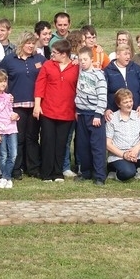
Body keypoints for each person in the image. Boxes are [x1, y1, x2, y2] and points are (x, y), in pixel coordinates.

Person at [1, 31, 46, 180]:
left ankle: (33, 168)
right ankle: (16, 168)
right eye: (28, 43)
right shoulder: (9, 60)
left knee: (32, 137)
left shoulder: (40, 59)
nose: (31, 46)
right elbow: (1, 80)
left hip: (35, 105)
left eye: (33, 43)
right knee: (18, 138)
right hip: (16, 106)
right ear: (21, 43)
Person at [34, 39, 79, 182]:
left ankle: (58, 172)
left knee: (61, 143)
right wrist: (37, 105)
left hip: (67, 112)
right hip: (48, 110)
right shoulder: (48, 65)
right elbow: (40, 85)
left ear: (64, 54)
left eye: (55, 52)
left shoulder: (76, 68)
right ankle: (46, 173)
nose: (51, 54)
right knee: (47, 141)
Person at [74, 47, 108, 186]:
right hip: (81, 113)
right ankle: (85, 172)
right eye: (80, 59)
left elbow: (102, 97)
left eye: (85, 59)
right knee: (83, 146)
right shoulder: (80, 71)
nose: (82, 62)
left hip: (94, 114)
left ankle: (99, 176)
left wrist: (98, 114)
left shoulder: (98, 75)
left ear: (91, 59)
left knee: (97, 146)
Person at [0, 69, 18, 189]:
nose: (3, 83)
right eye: (0, 81)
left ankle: (6, 177)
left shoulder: (8, 96)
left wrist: (16, 115)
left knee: (14, 154)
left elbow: (10, 111)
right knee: (3, 154)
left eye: (4, 81)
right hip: (0, 129)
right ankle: (6, 177)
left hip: (11, 128)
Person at [104, 44, 140, 121]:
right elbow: (103, 92)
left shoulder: (136, 68)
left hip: (136, 111)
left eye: (129, 54)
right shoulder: (108, 71)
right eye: (125, 54)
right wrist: (107, 108)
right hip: (114, 112)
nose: (128, 57)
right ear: (117, 55)